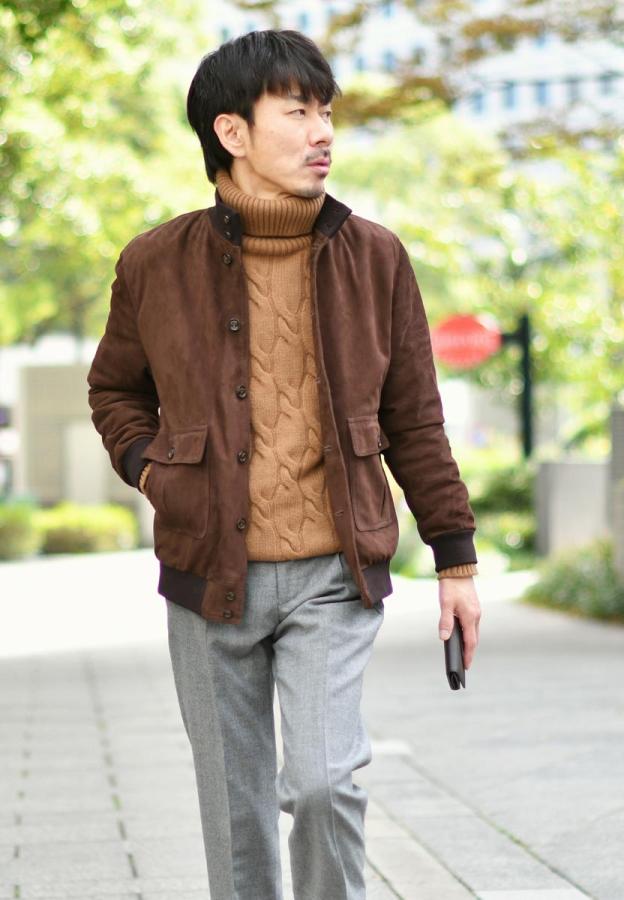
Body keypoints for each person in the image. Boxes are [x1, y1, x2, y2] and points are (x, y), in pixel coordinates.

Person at [86, 28, 481, 900]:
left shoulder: (375, 257)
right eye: (297, 112)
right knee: (236, 815)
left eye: (326, 112)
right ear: (231, 132)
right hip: (208, 572)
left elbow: (416, 418)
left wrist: (455, 559)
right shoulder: (154, 262)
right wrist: (154, 473)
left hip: (334, 573)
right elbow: (114, 391)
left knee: (323, 782)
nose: (322, 132)